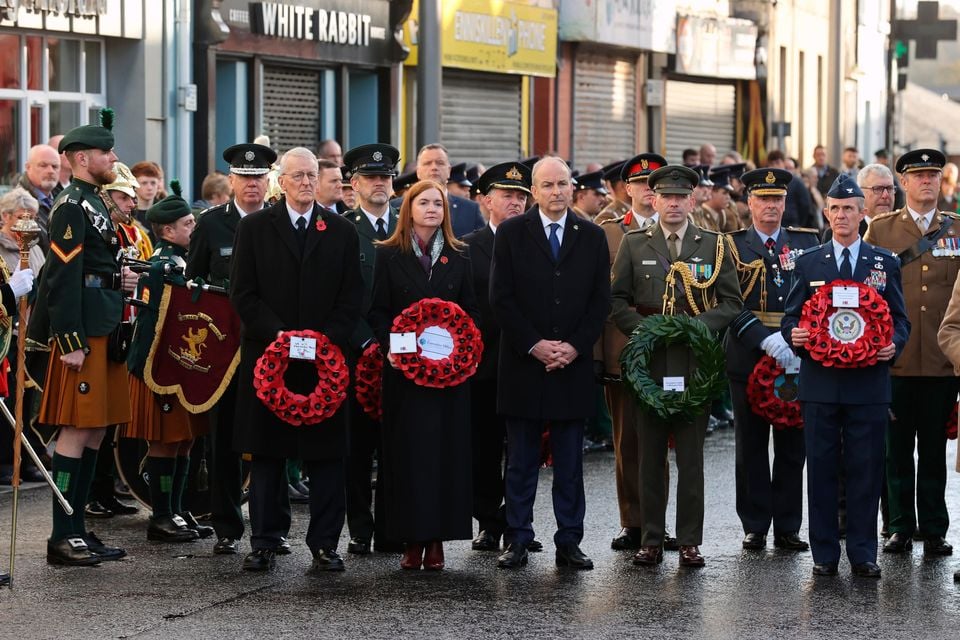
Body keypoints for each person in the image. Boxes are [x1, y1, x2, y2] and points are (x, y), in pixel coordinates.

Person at [229, 147, 362, 573]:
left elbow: (351, 296)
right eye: (297, 176)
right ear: (279, 182)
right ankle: (264, 541)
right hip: (270, 357)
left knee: (326, 457)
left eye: (312, 175)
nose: (306, 182)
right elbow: (243, 295)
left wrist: (325, 341)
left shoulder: (340, 230)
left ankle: (324, 544)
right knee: (267, 455)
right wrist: (280, 336)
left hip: (324, 361)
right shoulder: (254, 228)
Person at [609, 165, 741, 568]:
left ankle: (688, 541)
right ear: (654, 199)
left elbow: (731, 303)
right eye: (666, 197)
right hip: (649, 362)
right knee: (649, 455)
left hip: (694, 363)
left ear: (692, 200)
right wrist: (648, 329)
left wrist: (695, 328)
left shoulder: (713, 245)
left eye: (681, 197)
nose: (673, 204)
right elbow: (616, 302)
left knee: (690, 457)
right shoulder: (634, 243)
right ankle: (650, 539)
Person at [782, 174, 910, 578]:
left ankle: (862, 552)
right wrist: (795, 335)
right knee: (820, 468)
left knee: (865, 468)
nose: (841, 216)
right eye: (835, 209)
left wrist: (894, 345)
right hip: (820, 383)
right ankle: (823, 553)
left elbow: (900, 320)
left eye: (849, 209)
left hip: (868, 383)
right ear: (827, 213)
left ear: (863, 213)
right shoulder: (808, 262)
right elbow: (791, 318)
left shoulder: (884, 263)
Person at [28, 109, 138, 566]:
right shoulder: (73, 204)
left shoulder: (94, 202)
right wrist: (69, 338)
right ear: (79, 157)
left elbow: (95, 267)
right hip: (85, 331)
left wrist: (121, 278)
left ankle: (78, 527)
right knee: (76, 428)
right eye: (104, 151)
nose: (113, 157)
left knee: (95, 426)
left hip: (105, 322)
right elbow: (62, 276)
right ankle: (62, 534)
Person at [491, 156, 610, 570]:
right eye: (548, 185)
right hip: (525, 364)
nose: (557, 191)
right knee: (521, 461)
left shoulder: (591, 237)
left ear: (572, 188)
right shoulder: (510, 233)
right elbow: (500, 299)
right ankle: (518, 537)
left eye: (563, 184)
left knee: (569, 463)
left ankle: (569, 540)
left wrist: (574, 347)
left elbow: (600, 302)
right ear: (533, 191)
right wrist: (536, 345)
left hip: (571, 365)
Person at [369, 179, 479, 571]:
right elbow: (378, 310)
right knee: (407, 456)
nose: (432, 208)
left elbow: (471, 312)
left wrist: (462, 348)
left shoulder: (459, 255)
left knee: (444, 456)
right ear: (409, 209)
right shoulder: (388, 254)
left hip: (449, 378)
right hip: (405, 376)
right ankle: (410, 540)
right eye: (424, 202)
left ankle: (437, 540)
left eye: (438, 203)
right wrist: (392, 348)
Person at [864, 149, 960, 558]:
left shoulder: (955, 230)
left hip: (941, 362)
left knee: (936, 451)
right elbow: (867, 294)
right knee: (897, 449)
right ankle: (900, 526)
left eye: (933, 176)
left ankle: (935, 528)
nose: (926, 182)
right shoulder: (882, 231)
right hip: (896, 359)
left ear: (941, 182)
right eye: (918, 175)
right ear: (902, 183)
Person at [186, 142, 276, 555]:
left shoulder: (278, 222)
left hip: (268, 346)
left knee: (271, 439)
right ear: (232, 181)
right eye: (245, 178)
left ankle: (272, 529)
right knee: (223, 440)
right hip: (223, 351)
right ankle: (226, 525)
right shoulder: (211, 225)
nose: (252, 185)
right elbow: (194, 286)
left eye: (259, 178)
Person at [724, 168, 820, 552]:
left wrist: (791, 340)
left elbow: (817, 295)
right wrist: (765, 341)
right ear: (749, 203)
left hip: (795, 352)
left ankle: (788, 525)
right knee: (750, 443)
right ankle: (755, 523)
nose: (771, 208)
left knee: (792, 443)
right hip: (748, 354)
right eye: (763, 200)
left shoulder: (806, 244)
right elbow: (728, 302)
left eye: (777, 200)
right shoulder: (730, 246)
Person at [124, 184, 212, 542]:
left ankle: (178, 509)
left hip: (180, 365)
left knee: (184, 440)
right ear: (168, 230)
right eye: (188, 223)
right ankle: (162, 516)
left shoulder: (181, 260)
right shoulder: (160, 265)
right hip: (158, 366)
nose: (194, 228)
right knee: (164, 441)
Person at [463, 162, 537, 553]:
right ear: (486, 200)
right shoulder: (469, 246)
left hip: (527, 360)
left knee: (525, 450)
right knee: (485, 449)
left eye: (522, 195)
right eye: (507, 195)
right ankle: (489, 522)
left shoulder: (537, 241)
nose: (515, 201)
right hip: (485, 363)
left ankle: (519, 521)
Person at [340, 143, 400, 556]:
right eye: (371, 178)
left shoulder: (407, 227)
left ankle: (394, 527)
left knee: (396, 446)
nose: (380, 184)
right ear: (355, 184)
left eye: (386, 178)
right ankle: (361, 528)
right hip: (357, 352)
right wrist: (366, 341)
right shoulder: (343, 229)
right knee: (357, 449)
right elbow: (339, 294)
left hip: (403, 354)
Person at [82, 162, 151, 519]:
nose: (130, 204)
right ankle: (92, 494)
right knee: (91, 422)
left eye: (132, 198)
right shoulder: (93, 228)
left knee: (110, 421)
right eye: (123, 197)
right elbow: (82, 279)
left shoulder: (130, 233)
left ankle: (105, 489)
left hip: (122, 325)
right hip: (97, 327)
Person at [0, 188, 47, 486]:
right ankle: (6, 458)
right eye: (20, 217)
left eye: (31, 218)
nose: (26, 224)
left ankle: (26, 457)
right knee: (10, 395)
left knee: (29, 398)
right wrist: (10, 292)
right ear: (5, 217)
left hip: (31, 328)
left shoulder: (36, 247)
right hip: (9, 329)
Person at [391, 144, 484, 238]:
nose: (434, 167)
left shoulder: (470, 210)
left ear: (449, 171)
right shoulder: (395, 207)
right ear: (418, 172)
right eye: (427, 163)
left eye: (440, 163)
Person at [18, 143, 61, 253]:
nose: (50, 171)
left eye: (55, 166)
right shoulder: (19, 203)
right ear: (28, 167)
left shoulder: (63, 198)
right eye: (43, 165)